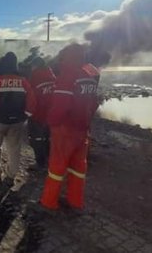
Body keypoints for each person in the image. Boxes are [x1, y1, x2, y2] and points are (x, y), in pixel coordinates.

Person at [40, 43, 100, 211]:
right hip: (83, 129)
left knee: (57, 167)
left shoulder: (68, 75)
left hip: (65, 130)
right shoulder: (89, 75)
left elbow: (61, 105)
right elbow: (94, 102)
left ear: (67, 57)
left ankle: (49, 202)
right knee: (78, 168)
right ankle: (75, 201)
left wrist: (51, 122)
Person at [0, 52, 36, 184]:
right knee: (14, 149)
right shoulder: (23, 81)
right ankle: (11, 175)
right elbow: (32, 102)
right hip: (17, 121)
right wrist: (25, 116)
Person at [26, 56, 56, 170]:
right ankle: (49, 160)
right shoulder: (52, 76)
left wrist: (28, 112)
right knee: (48, 137)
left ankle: (40, 163)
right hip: (51, 113)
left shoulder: (35, 76)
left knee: (36, 138)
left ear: (36, 65)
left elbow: (31, 96)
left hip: (38, 114)